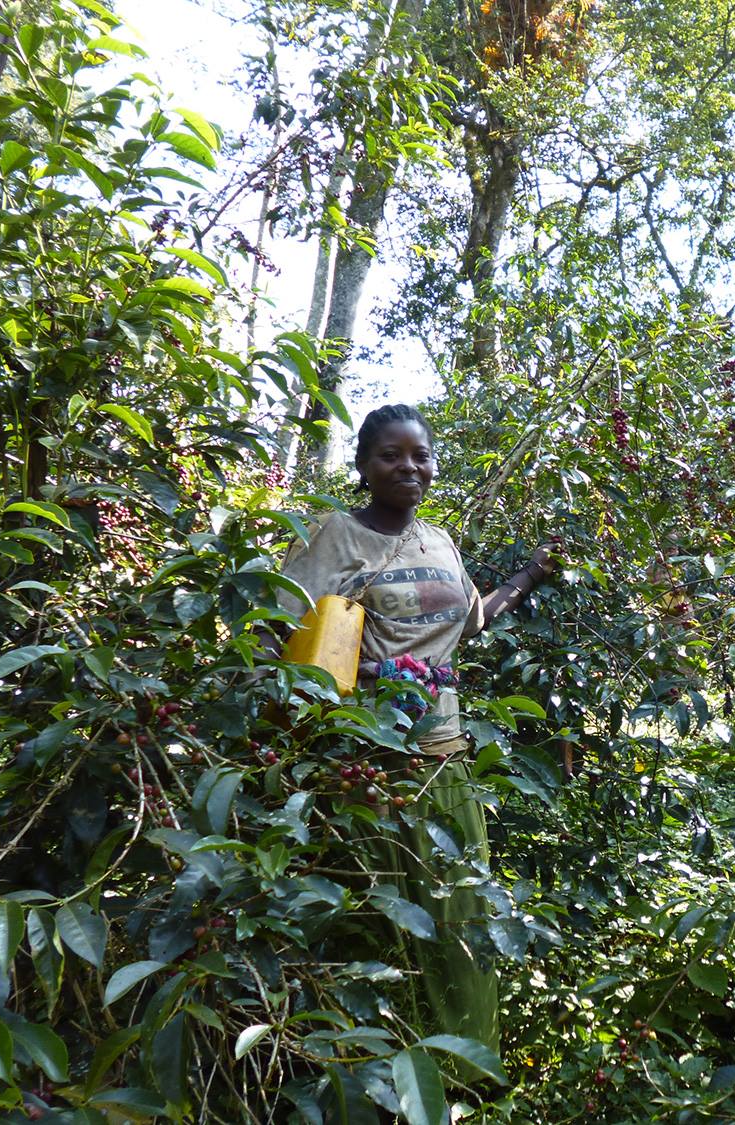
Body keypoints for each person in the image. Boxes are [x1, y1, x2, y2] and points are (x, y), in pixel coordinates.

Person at [274, 402, 556, 1060]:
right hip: (370, 765)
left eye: (420, 455)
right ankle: (377, 1073)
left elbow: (472, 622)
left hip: (444, 762)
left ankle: (459, 1075)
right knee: (385, 926)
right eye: (390, 455)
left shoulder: (437, 539)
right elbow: (279, 630)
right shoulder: (332, 534)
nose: (409, 466)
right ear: (364, 466)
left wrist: (531, 574)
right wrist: (369, 678)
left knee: (458, 923)